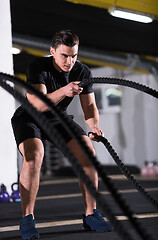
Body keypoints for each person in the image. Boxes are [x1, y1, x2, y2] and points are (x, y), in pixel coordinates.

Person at [11, 29, 112, 240]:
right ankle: (27, 219)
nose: (70, 61)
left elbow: (90, 107)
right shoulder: (37, 67)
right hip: (30, 117)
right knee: (33, 157)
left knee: (88, 154)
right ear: (52, 51)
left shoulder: (82, 72)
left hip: (58, 118)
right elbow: (38, 104)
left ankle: (90, 214)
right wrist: (64, 91)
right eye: (65, 55)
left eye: (74, 55)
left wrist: (94, 126)